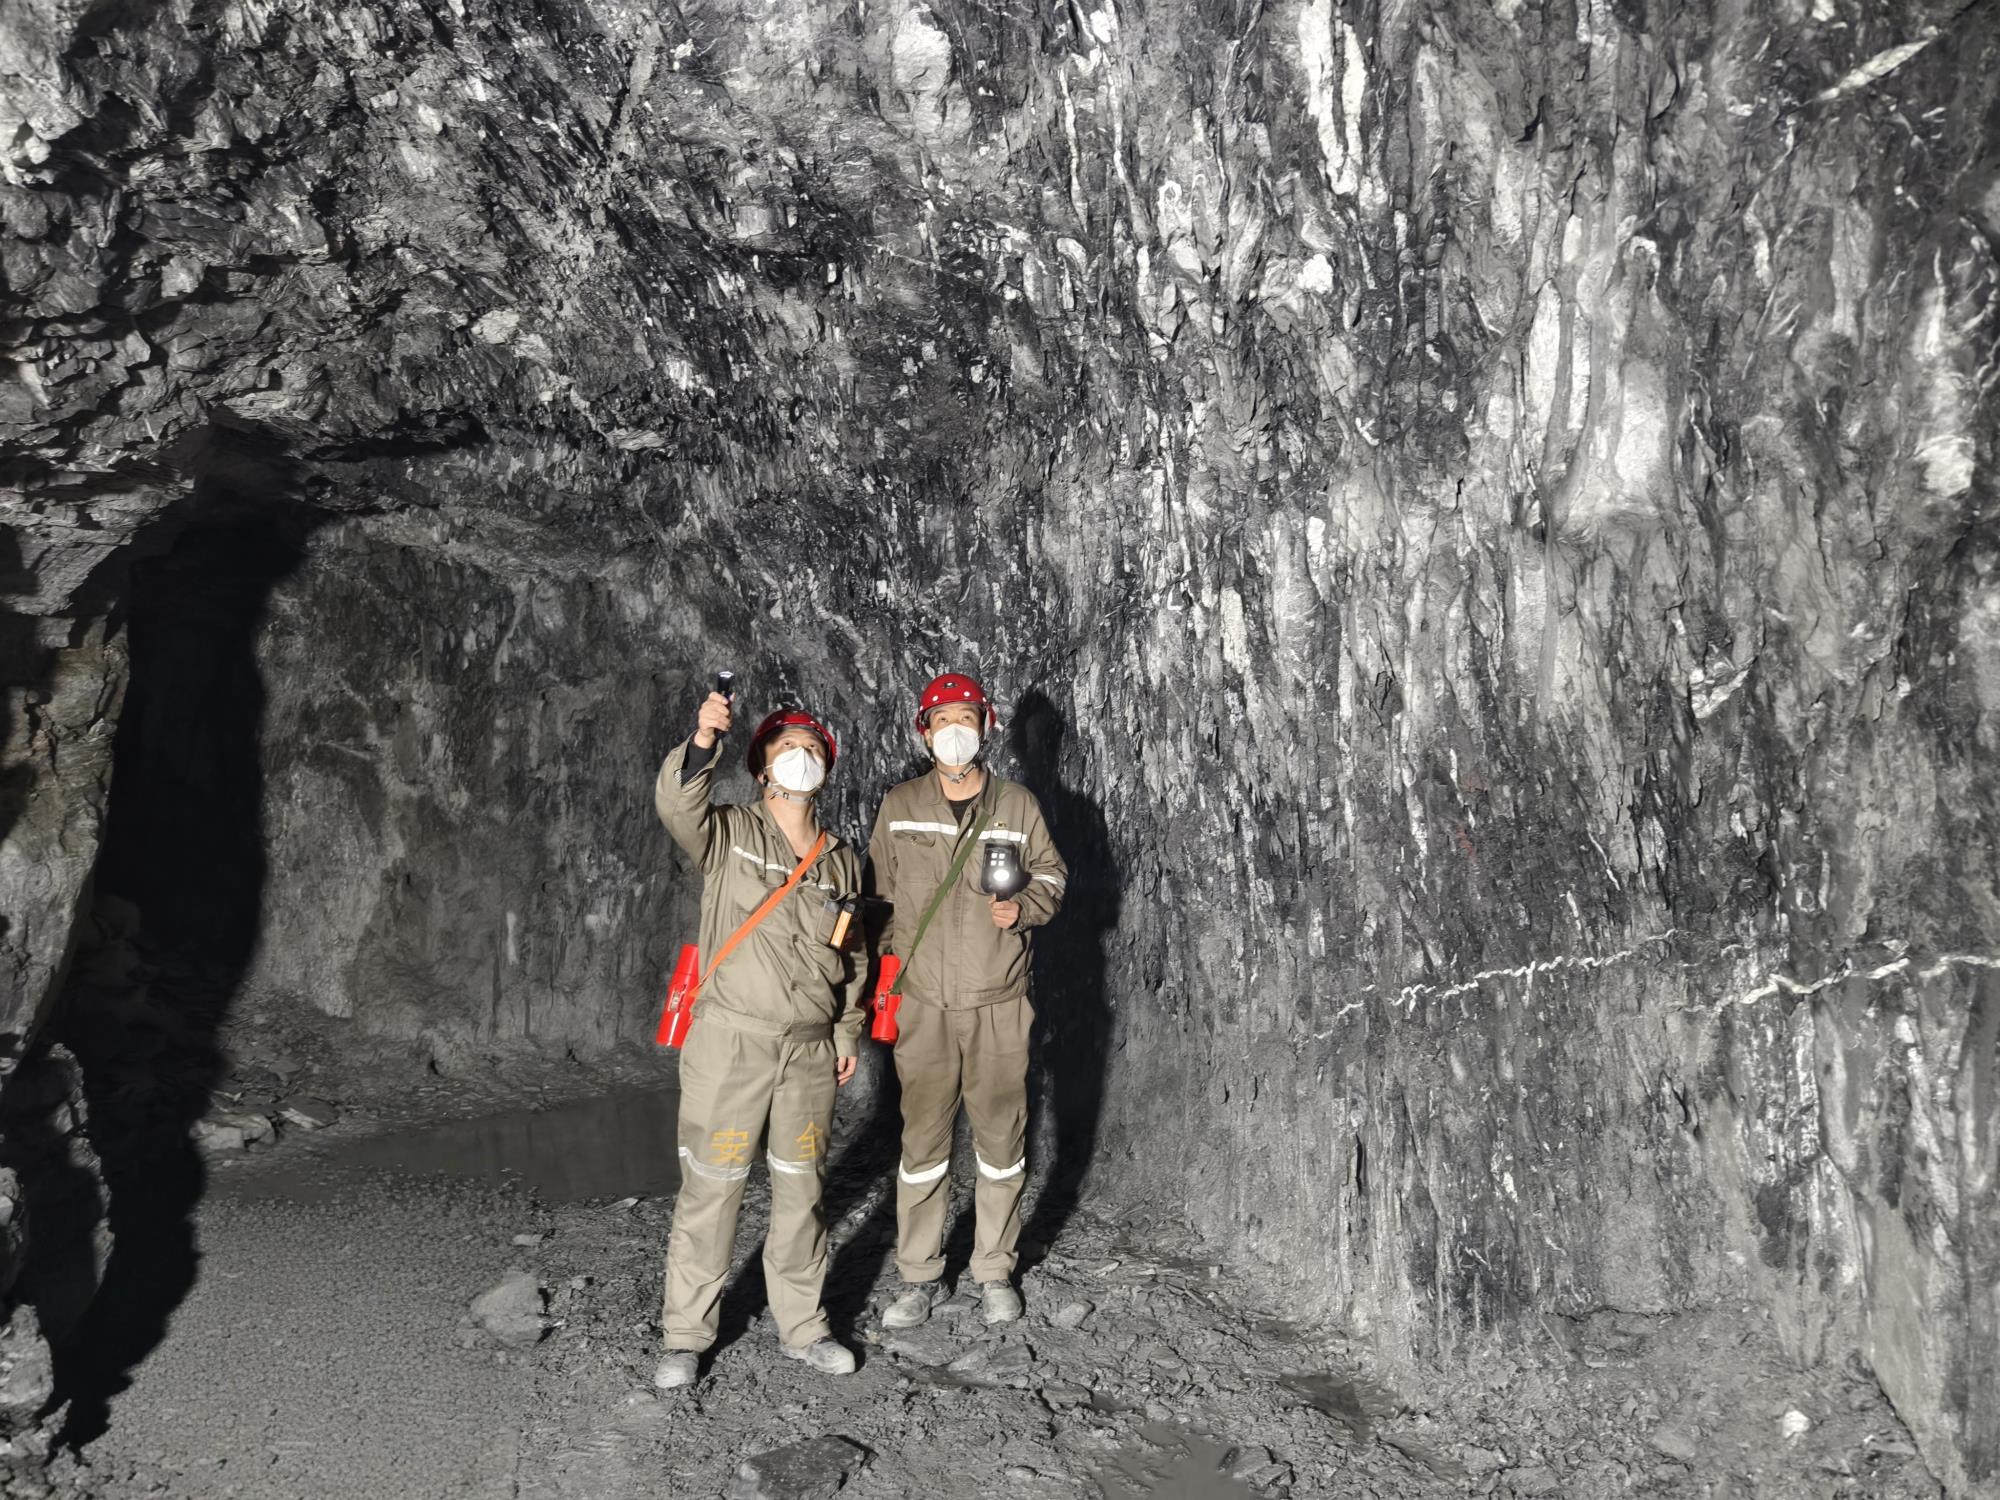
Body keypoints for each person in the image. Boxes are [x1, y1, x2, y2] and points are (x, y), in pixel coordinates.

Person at [651, 687, 867, 1388]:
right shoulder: (729, 832)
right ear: (762, 766)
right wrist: (702, 742)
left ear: (826, 767)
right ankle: (686, 1337)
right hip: (732, 1040)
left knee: (802, 1191)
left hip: (808, 1048)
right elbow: (678, 805)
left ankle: (805, 1328)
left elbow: (854, 955)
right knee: (712, 1187)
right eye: (786, 748)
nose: (800, 757)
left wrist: (846, 1031)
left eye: (811, 749)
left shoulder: (842, 860)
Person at [866, 673, 1068, 1329]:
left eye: (966, 718)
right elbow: (880, 898)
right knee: (922, 1143)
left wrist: (1025, 906)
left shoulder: (1018, 805)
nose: (954, 731)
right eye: (941, 719)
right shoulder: (900, 804)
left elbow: (1052, 874)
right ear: (923, 732)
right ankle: (919, 1276)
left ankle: (993, 1270)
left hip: (998, 1001)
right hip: (924, 1001)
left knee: (1001, 1140)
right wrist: (880, 983)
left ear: (986, 726)